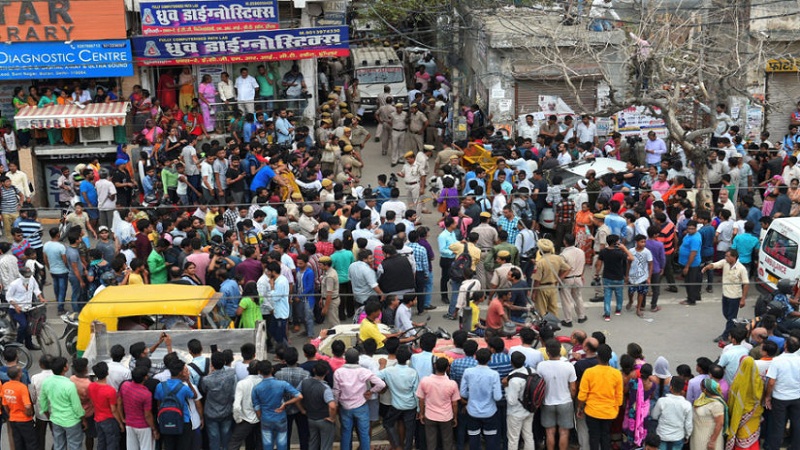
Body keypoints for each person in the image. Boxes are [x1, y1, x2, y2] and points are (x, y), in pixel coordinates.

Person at [333, 349, 385, 450]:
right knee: (364, 434)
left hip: (345, 407)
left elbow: (336, 391)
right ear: (357, 360)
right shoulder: (363, 371)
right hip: (361, 407)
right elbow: (381, 384)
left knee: (346, 433)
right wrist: (371, 391)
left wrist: (336, 404)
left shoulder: (338, 372)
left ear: (345, 359)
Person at [576, 344, 623, 450]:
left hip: (592, 411)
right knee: (605, 436)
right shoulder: (616, 374)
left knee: (594, 437)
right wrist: (615, 408)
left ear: (597, 356)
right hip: (609, 412)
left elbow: (582, 395)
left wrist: (580, 408)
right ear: (610, 358)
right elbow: (619, 397)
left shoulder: (589, 373)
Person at [702, 249, 749, 344]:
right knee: (726, 314)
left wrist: (743, 299)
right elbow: (715, 265)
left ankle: (725, 336)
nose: (726, 258)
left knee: (731, 318)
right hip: (725, 295)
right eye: (725, 256)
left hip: (735, 297)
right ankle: (736, 327)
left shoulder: (741, 269)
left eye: (728, 256)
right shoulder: (725, 263)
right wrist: (706, 267)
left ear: (734, 257)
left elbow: (746, 284)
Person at [537, 339, 576, 450]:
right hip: (565, 402)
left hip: (547, 402)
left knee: (549, 432)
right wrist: (571, 398)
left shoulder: (541, 366)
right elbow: (573, 388)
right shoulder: (569, 366)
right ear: (560, 350)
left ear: (547, 352)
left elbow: (538, 385)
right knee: (564, 432)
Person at [460, 348, 503, 450]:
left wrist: (471, 396)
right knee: (491, 440)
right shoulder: (494, 374)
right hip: (489, 412)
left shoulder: (468, 372)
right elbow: (497, 397)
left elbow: (463, 393)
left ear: (476, 358)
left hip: (472, 411)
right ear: (490, 359)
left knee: (473, 439)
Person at [39, 357, 85, 450]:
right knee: (75, 445)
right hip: (71, 421)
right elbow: (76, 406)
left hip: (56, 419)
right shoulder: (69, 385)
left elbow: (43, 402)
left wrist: (49, 415)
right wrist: (83, 419)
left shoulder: (46, 382)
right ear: (65, 368)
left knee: (59, 445)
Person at [764, 336, 800, 450]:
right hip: (797, 396)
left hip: (780, 397)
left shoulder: (777, 360)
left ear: (785, 346)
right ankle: (796, 446)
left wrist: (767, 397)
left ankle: (774, 447)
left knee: (778, 425)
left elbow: (771, 382)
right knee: (797, 423)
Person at [417, 357, 460, 450]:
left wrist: (421, 413)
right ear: (447, 368)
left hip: (430, 415)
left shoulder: (425, 380)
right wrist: (455, 417)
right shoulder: (452, 384)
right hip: (446, 416)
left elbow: (421, 399)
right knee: (447, 441)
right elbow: (455, 404)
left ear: (435, 366)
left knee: (431, 441)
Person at [726, 356, 763, 450]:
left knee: (742, 434)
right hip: (755, 413)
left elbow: (732, 399)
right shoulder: (758, 379)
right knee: (752, 432)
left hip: (741, 414)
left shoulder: (737, 381)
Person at [595, 235, 634, 321]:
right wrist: (624, 248)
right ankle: (618, 310)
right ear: (615, 243)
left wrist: (597, 274)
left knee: (607, 296)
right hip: (618, 277)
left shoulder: (603, 251)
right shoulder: (619, 252)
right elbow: (631, 258)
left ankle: (607, 314)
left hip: (606, 277)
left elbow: (599, 264)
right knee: (619, 294)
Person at [650, 377, 693, 450]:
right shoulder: (687, 405)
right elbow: (688, 424)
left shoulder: (661, 401)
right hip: (678, 437)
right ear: (682, 390)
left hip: (662, 435)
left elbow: (654, 416)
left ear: (670, 387)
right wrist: (687, 436)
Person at [506, 351, 535, 450]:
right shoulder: (532, 371)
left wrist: (505, 387)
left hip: (515, 413)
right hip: (530, 409)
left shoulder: (514, 379)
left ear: (511, 363)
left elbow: (511, 401)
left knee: (513, 439)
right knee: (528, 436)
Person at [691, 379, 727, 450]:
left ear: (705, 389)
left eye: (701, 387)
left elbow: (719, 423)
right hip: (698, 437)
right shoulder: (702, 398)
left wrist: (712, 441)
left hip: (707, 439)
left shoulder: (717, 404)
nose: (700, 389)